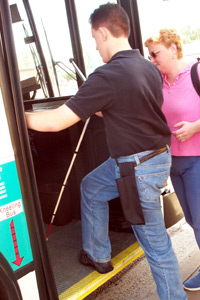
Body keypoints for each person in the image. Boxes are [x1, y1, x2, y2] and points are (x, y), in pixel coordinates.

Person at [26, 4, 187, 299]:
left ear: (103, 32)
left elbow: (55, 121)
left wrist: (13, 116)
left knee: (155, 245)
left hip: (135, 167)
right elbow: (131, 108)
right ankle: (97, 254)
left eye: (94, 39)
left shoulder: (108, 73)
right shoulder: (146, 68)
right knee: (91, 187)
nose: (96, 46)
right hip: (150, 158)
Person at [145, 28, 200, 292]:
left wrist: (195, 127)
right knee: (191, 219)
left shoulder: (196, 72)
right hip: (174, 162)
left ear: (173, 49)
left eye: (155, 54)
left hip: (197, 159)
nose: (152, 59)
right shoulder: (159, 83)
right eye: (150, 55)